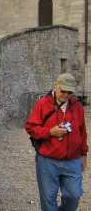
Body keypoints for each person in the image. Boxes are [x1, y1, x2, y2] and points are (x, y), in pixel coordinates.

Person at [25, 73, 88, 211]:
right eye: (63, 90)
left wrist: (84, 154)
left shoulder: (77, 106)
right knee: (48, 199)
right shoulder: (42, 103)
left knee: (74, 195)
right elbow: (30, 127)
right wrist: (50, 132)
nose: (66, 94)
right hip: (48, 160)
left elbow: (82, 131)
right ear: (56, 85)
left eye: (69, 92)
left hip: (73, 160)